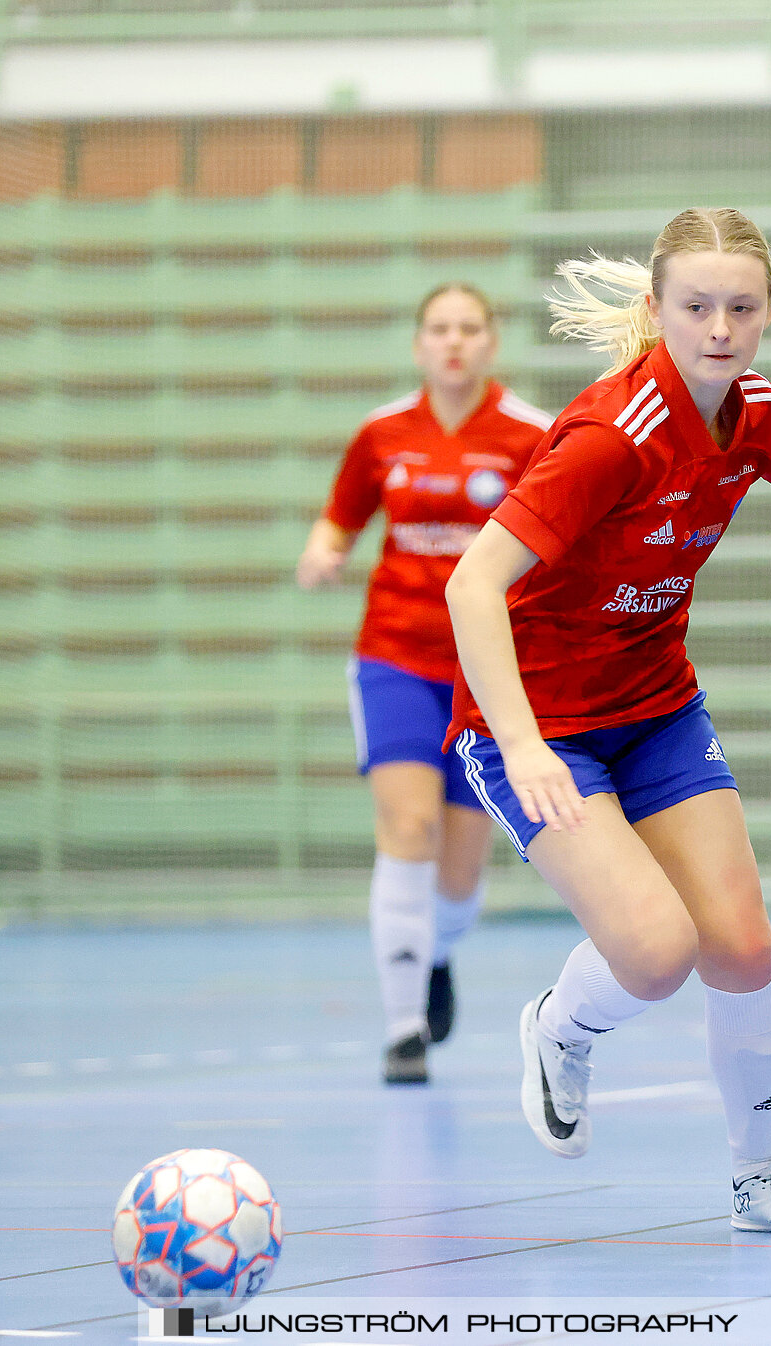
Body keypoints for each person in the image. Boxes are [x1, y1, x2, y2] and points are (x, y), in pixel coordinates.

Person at [445, 208, 771, 1235]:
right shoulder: (612, 437)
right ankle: (559, 1025)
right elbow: (473, 586)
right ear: (658, 310)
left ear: (769, 312)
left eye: (740, 306)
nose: (719, 326)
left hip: (656, 710)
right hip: (537, 724)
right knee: (653, 951)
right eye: (696, 306)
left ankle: (760, 1174)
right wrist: (519, 746)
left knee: (741, 944)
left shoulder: (760, 413)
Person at [297, 282, 550, 1085]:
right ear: (418, 345)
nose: (453, 342)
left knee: (461, 870)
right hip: (395, 658)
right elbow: (339, 518)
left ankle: (434, 951)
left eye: (469, 328)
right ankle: (404, 1027)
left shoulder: (530, 434)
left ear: (490, 343)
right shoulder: (382, 434)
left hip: (487, 671)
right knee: (407, 829)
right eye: (439, 329)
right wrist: (321, 554)